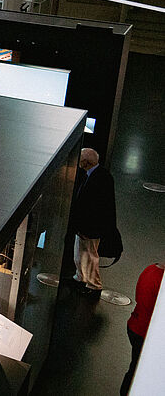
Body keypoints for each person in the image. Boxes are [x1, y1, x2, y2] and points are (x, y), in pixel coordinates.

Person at [72, 147, 117, 294]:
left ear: (86, 162)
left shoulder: (101, 178)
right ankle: (81, 277)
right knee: (80, 254)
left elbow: (98, 208)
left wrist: (87, 227)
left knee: (90, 256)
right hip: (84, 225)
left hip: (91, 227)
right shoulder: (92, 174)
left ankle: (94, 285)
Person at [123, 259, 164, 394]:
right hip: (146, 334)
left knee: (135, 368)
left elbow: (139, 297)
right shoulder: (161, 282)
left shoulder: (150, 269)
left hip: (135, 325)